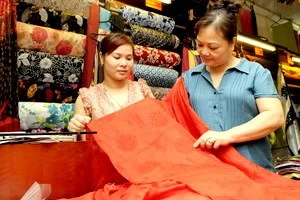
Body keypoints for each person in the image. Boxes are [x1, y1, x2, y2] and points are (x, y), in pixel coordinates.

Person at [182, 2, 284, 171]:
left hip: (252, 170)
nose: (204, 52)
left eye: (213, 47)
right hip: (208, 172)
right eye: (200, 45)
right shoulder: (189, 79)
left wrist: (227, 136)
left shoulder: (255, 73)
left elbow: (274, 116)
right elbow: (174, 118)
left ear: (232, 43)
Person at [67, 32, 154, 133]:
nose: (124, 64)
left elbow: (159, 126)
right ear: (101, 57)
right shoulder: (87, 98)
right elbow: (82, 139)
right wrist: (76, 128)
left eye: (129, 58)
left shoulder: (142, 91)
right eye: (117, 57)